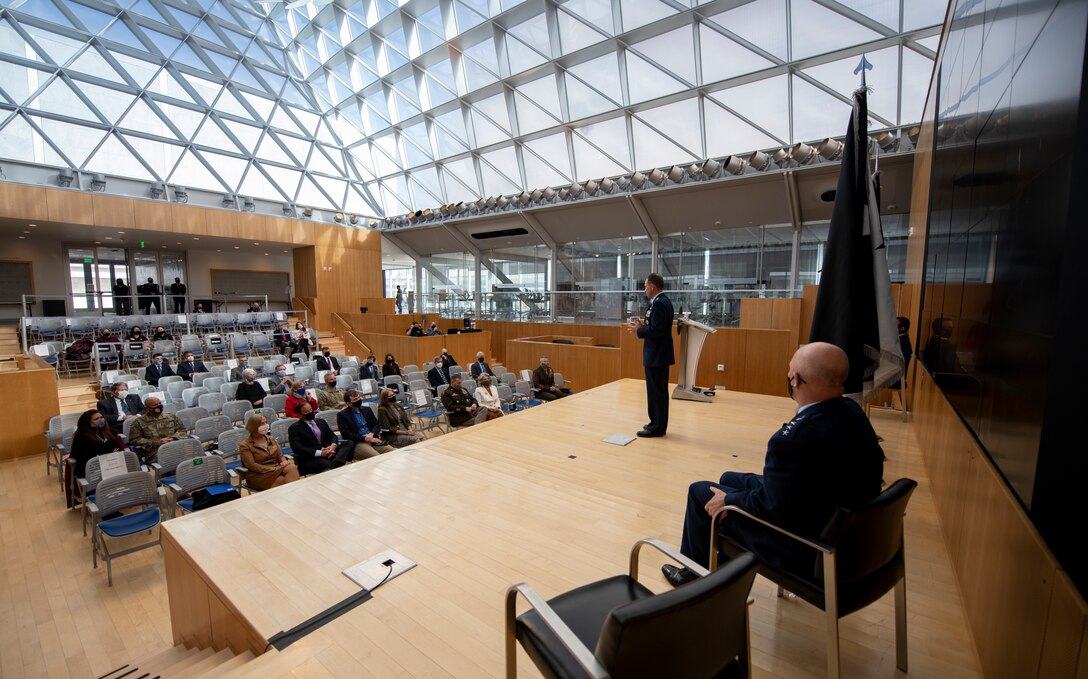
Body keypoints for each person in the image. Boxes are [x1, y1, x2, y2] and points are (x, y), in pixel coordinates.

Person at [660, 343, 885, 587]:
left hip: (804, 546)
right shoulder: (853, 412)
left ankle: (693, 578)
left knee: (700, 492)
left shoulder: (793, 440)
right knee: (728, 478)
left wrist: (729, 501)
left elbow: (771, 507)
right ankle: (725, 568)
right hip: (843, 531)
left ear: (795, 379)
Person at [626, 272, 674, 438]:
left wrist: (639, 330)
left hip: (657, 355)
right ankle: (656, 423)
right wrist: (642, 325)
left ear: (652, 287)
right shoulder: (661, 301)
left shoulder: (660, 303)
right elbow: (654, 325)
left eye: (646, 286)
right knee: (657, 392)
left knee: (656, 392)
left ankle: (657, 427)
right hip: (658, 354)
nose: (645, 289)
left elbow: (657, 330)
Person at [66, 410, 126, 507]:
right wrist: (109, 455)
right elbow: (87, 458)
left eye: (101, 417)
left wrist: (110, 455)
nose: (100, 420)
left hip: (111, 465)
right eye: (96, 419)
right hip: (92, 470)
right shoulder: (82, 437)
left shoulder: (108, 432)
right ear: (88, 422)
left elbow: (117, 448)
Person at [288, 401, 352, 475]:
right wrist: (321, 453)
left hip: (329, 451)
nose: (310, 412)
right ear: (300, 415)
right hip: (311, 458)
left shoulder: (321, 421)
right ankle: (335, 464)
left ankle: (334, 464)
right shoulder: (294, 428)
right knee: (327, 465)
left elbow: (332, 436)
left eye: (311, 410)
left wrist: (332, 446)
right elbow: (297, 448)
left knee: (349, 443)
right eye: (307, 412)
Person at [239, 414, 299, 490]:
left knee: (291, 467)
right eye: (262, 423)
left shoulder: (270, 438)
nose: (266, 425)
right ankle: (295, 497)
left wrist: (284, 462)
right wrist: (273, 469)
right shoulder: (245, 445)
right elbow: (252, 466)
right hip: (259, 475)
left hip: (276, 468)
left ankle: (294, 497)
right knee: (284, 480)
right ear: (254, 426)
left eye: (266, 422)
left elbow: (280, 456)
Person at [337, 389, 395, 460]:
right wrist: (365, 438)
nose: (358, 400)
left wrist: (371, 433)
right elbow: (347, 435)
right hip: (358, 443)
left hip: (373, 439)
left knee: (393, 452)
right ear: (349, 403)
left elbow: (376, 425)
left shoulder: (367, 409)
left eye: (359, 397)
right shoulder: (342, 415)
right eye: (355, 399)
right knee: (378, 457)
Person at [127, 396, 186, 464]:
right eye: (155, 405)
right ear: (147, 408)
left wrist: (173, 438)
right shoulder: (139, 422)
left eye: (159, 403)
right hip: (154, 450)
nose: (159, 406)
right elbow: (135, 440)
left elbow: (182, 430)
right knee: (168, 461)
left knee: (187, 456)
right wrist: (156, 442)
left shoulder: (171, 417)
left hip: (174, 445)